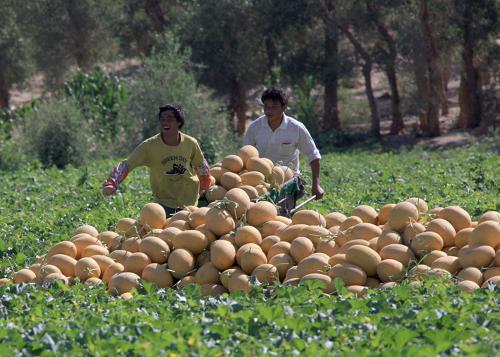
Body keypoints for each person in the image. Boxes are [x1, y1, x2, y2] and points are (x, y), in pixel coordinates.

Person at [102, 104, 211, 215]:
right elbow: (127, 164)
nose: (165, 122)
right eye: (162, 119)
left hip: (190, 202)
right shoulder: (149, 146)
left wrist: (204, 188)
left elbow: (201, 166)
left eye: (170, 119)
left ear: (179, 122)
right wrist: (112, 183)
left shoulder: (190, 143)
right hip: (164, 204)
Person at [243, 87, 324, 199]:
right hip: (260, 183)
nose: (269, 111)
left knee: (283, 214)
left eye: (274, 107)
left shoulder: (296, 128)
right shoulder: (254, 127)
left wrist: (316, 184)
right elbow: (245, 156)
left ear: (284, 107)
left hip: (288, 182)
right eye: (266, 106)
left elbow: (313, 155)